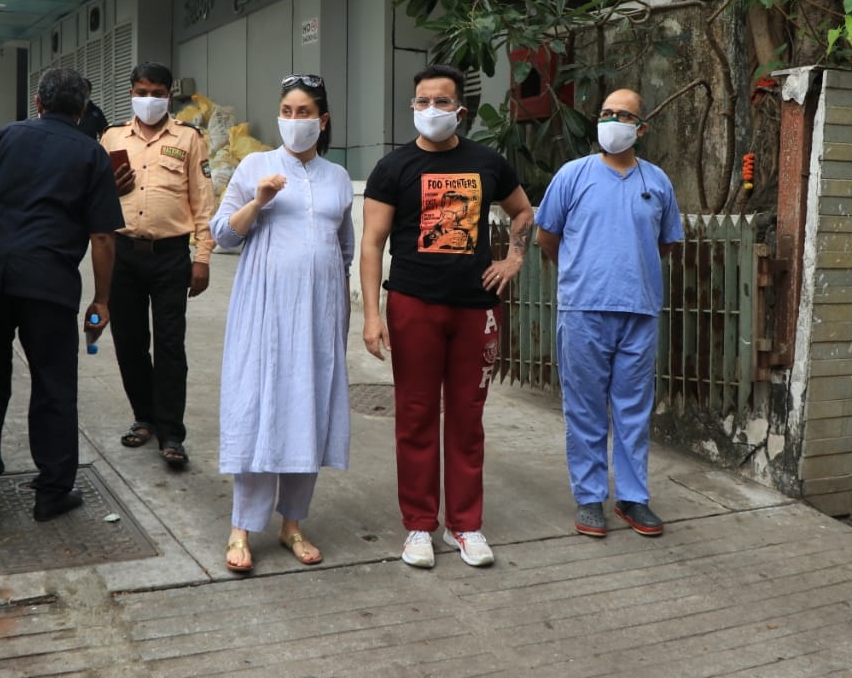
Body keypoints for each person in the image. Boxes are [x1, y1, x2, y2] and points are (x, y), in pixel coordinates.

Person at [0, 66, 124, 522]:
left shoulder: (4, 137)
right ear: (81, 110)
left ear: (38, 102)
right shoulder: (91, 155)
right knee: (53, 383)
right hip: (47, 282)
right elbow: (103, 238)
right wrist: (102, 300)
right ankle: (52, 491)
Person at [362, 63, 534, 569]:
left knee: (467, 419)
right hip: (413, 304)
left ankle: (466, 525)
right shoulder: (393, 168)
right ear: (412, 106)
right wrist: (372, 316)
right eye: (422, 101)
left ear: (461, 110)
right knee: (415, 418)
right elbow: (372, 245)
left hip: (475, 309)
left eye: (441, 102)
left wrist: (514, 259)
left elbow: (523, 212)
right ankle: (418, 526)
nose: (430, 110)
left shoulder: (488, 161)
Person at [209, 74, 354, 573]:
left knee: (307, 409)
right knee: (260, 406)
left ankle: (292, 523)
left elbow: (345, 250)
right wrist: (259, 200)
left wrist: (344, 318)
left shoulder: (337, 177)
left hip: (319, 314)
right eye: (287, 111)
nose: (294, 121)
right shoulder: (255, 165)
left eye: (304, 112)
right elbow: (222, 234)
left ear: (323, 120)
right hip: (266, 312)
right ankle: (240, 529)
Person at [535, 88, 682, 539]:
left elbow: (667, 241)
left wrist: (628, 272)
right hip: (584, 311)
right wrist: (585, 273)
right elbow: (547, 236)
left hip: (638, 311)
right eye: (605, 113)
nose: (612, 120)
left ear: (641, 128)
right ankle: (589, 497)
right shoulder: (572, 175)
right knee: (584, 409)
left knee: (633, 411)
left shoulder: (656, 181)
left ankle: (633, 498)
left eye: (623, 114)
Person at [100, 62, 215, 470]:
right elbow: (93, 194)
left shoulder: (189, 138)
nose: (149, 99)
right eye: (141, 91)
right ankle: (144, 416)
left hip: (169, 257)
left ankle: (171, 432)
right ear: (131, 91)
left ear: (170, 95)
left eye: (157, 92)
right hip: (123, 254)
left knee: (170, 345)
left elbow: (203, 202)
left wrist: (201, 258)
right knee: (129, 342)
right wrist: (108, 190)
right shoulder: (112, 137)